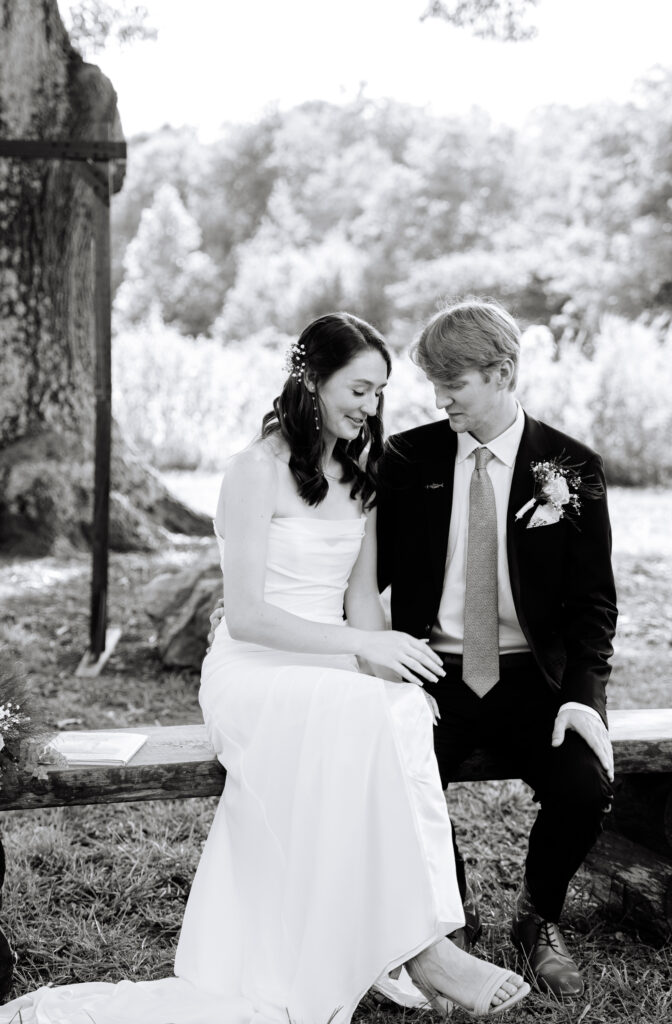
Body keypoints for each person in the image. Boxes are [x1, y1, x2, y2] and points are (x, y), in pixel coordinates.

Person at [0, 312, 529, 1024]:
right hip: (252, 670)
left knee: (398, 710)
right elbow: (247, 616)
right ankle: (426, 952)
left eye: (378, 395)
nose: (369, 408)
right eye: (358, 390)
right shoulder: (253, 471)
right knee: (365, 711)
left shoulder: (363, 470)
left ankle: (419, 937)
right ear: (311, 380)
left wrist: (383, 667)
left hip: (328, 666)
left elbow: (360, 602)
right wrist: (360, 651)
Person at [377, 298, 617, 998]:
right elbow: (369, 574)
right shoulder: (406, 457)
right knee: (393, 773)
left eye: (454, 382)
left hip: (532, 676)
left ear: (502, 372)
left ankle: (536, 916)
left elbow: (593, 606)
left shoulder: (571, 466)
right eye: (432, 382)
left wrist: (582, 697)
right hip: (431, 670)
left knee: (585, 783)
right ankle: (443, 924)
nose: (438, 397)